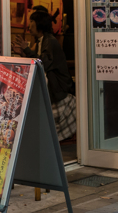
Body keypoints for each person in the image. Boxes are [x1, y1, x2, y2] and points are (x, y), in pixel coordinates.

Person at [12, 8, 76, 141]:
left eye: (31, 22)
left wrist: (26, 49)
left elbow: (42, 63)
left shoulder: (50, 41)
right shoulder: (42, 40)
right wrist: (23, 53)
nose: (29, 26)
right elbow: (39, 59)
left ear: (39, 24)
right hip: (53, 89)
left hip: (58, 91)